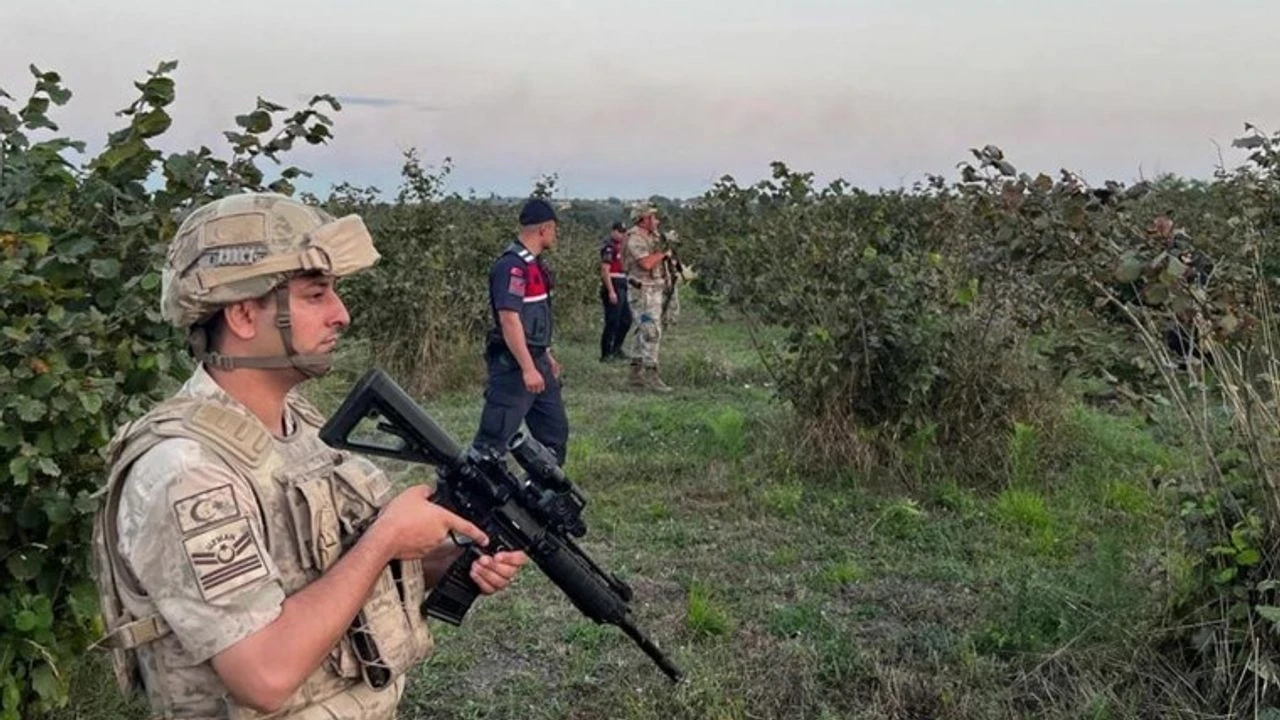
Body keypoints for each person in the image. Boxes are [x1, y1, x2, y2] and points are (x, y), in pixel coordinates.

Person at [90, 192, 528, 720]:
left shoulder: (303, 429)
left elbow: (327, 577)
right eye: (316, 294)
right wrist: (386, 536)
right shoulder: (184, 470)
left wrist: (445, 559)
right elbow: (264, 675)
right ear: (246, 314)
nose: (340, 314)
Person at [471, 197, 570, 465]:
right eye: (555, 229)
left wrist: (545, 355)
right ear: (544, 229)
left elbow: (533, 317)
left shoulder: (535, 265)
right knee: (492, 444)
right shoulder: (511, 267)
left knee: (554, 436)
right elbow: (510, 320)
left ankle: (541, 499)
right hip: (513, 366)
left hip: (538, 360)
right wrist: (527, 368)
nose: (555, 235)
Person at [623, 204, 674, 392]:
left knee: (642, 330)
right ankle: (652, 374)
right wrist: (663, 252)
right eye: (653, 217)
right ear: (643, 219)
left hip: (653, 290)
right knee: (651, 331)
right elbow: (646, 263)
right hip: (641, 292)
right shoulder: (634, 238)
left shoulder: (653, 236)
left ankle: (635, 374)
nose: (657, 220)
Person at [598, 221, 632, 361]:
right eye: (619, 231)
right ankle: (606, 353)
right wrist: (611, 291)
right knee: (612, 321)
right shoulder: (609, 248)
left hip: (623, 283)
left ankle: (617, 348)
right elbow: (605, 271)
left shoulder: (622, 247)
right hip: (613, 284)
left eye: (623, 232)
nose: (621, 234)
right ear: (613, 231)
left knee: (626, 320)